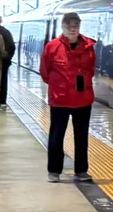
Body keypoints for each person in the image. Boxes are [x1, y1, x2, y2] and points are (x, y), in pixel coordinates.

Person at [40, 11, 95, 182]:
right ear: (62, 26)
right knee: (56, 135)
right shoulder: (53, 47)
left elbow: (91, 70)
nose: (73, 29)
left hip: (83, 99)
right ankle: (54, 171)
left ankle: (81, 170)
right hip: (60, 99)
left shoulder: (88, 46)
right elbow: (45, 71)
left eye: (76, 26)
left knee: (82, 136)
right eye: (69, 26)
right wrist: (59, 86)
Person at [0, 16, 15, 109]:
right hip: (4, 61)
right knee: (4, 80)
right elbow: (12, 46)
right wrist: (8, 57)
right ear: (1, 21)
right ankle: (2, 101)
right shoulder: (7, 32)